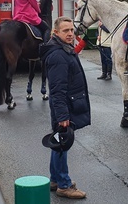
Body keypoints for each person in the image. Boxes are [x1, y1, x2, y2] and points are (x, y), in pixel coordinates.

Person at [40, 16, 90, 199]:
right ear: (56, 33)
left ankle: (55, 179)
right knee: (63, 143)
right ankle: (64, 185)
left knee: (59, 143)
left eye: (71, 30)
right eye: (66, 31)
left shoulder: (63, 49)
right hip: (64, 107)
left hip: (68, 104)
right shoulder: (58, 56)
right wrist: (62, 115)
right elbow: (57, 90)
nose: (70, 34)